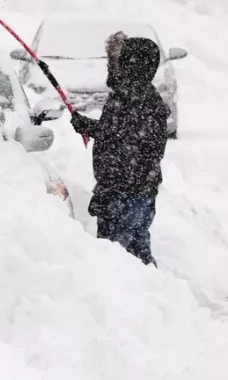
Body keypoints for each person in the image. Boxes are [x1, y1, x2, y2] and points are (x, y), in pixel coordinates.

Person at [70, 35, 170, 266]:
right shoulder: (148, 98)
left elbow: (121, 140)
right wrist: (89, 126)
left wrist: (109, 190)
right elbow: (121, 136)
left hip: (123, 194)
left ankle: (142, 295)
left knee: (115, 261)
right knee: (137, 251)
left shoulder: (129, 98)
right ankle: (156, 292)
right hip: (140, 191)